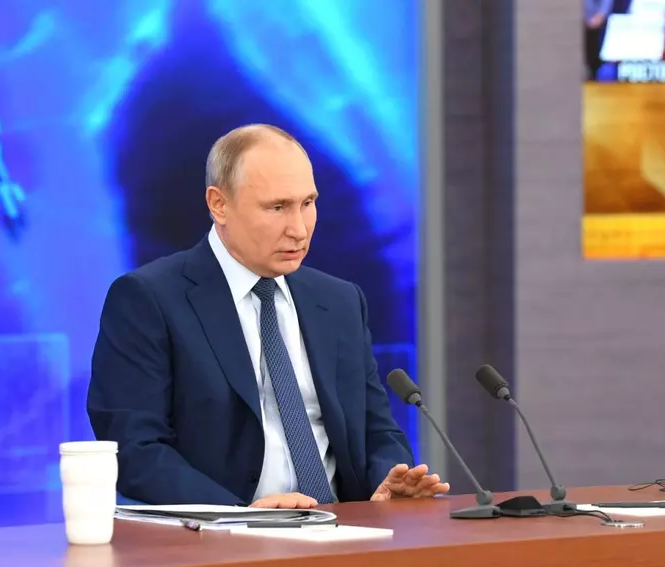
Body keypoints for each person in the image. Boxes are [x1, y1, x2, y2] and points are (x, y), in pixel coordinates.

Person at [87, 124, 449, 508]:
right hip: (222, 534)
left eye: (307, 203)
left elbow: (376, 430)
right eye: (277, 208)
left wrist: (387, 480)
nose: (299, 230)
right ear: (219, 204)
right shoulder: (148, 300)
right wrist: (240, 516)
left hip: (343, 528)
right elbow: (135, 449)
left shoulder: (340, 301)